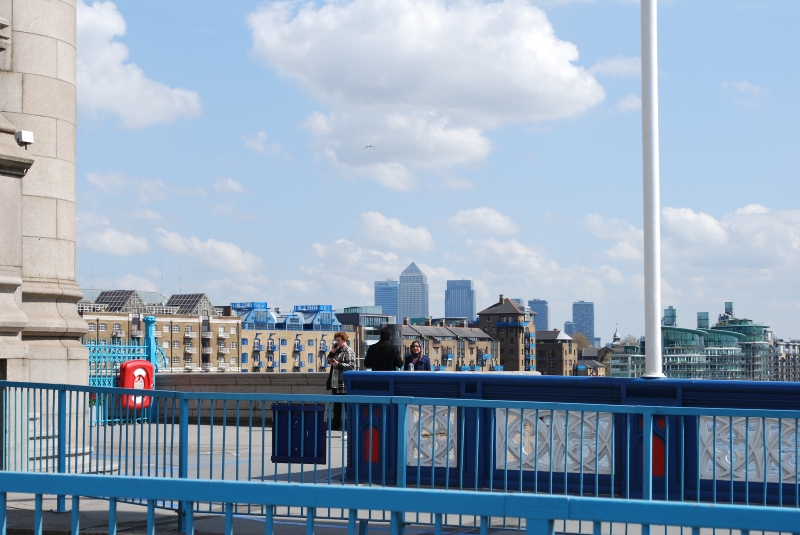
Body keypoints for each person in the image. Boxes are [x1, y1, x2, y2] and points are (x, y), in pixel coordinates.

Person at [325, 331, 355, 430]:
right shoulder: (337, 350)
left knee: (347, 406)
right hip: (335, 382)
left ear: (344, 340)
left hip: (343, 383)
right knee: (336, 407)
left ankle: (350, 426)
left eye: (339, 340)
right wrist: (332, 352)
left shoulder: (348, 351)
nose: (337, 342)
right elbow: (327, 360)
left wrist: (338, 364)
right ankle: (335, 425)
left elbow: (351, 366)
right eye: (336, 340)